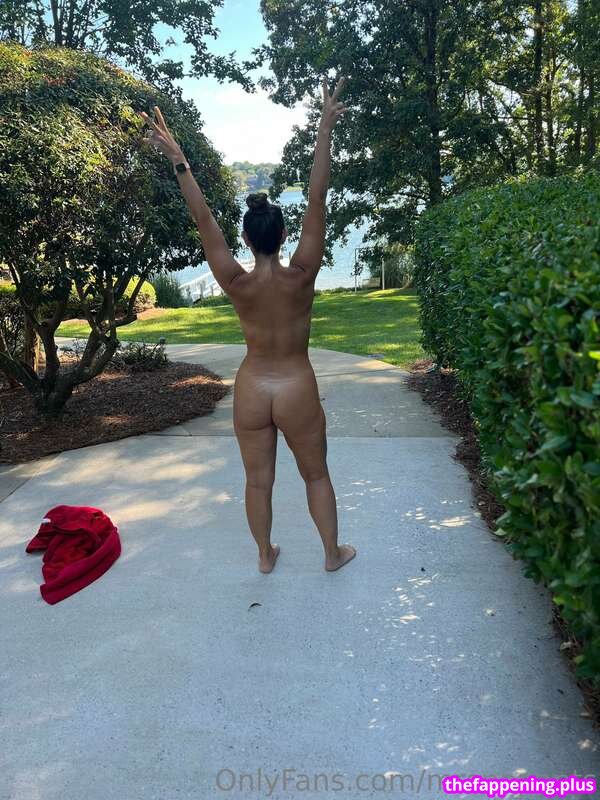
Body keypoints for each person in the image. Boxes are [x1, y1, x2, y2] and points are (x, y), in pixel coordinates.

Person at [139, 77, 356, 574]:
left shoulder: (235, 282)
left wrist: (179, 159)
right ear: (283, 234)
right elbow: (317, 201)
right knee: (316, 475)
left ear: (247, 238)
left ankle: (264, 555)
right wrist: (324, 129)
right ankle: (331, 554)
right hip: (296, 386)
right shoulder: (302, 274)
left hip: (253, 387)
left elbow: (203, 220)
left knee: (258, 481)